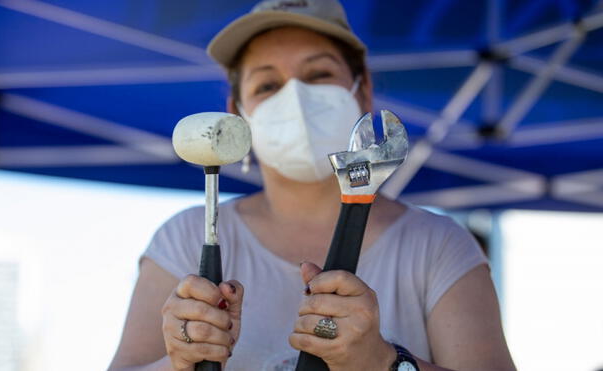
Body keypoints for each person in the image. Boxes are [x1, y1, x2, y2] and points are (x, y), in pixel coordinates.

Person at [108, 1, 516, 370]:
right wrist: (179, 363)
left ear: (364, 90)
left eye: (319, 75)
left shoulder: (439, 245)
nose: (296, 98)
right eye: (267, 85)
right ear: (238, 112)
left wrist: (383, 363)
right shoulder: (184, 237)